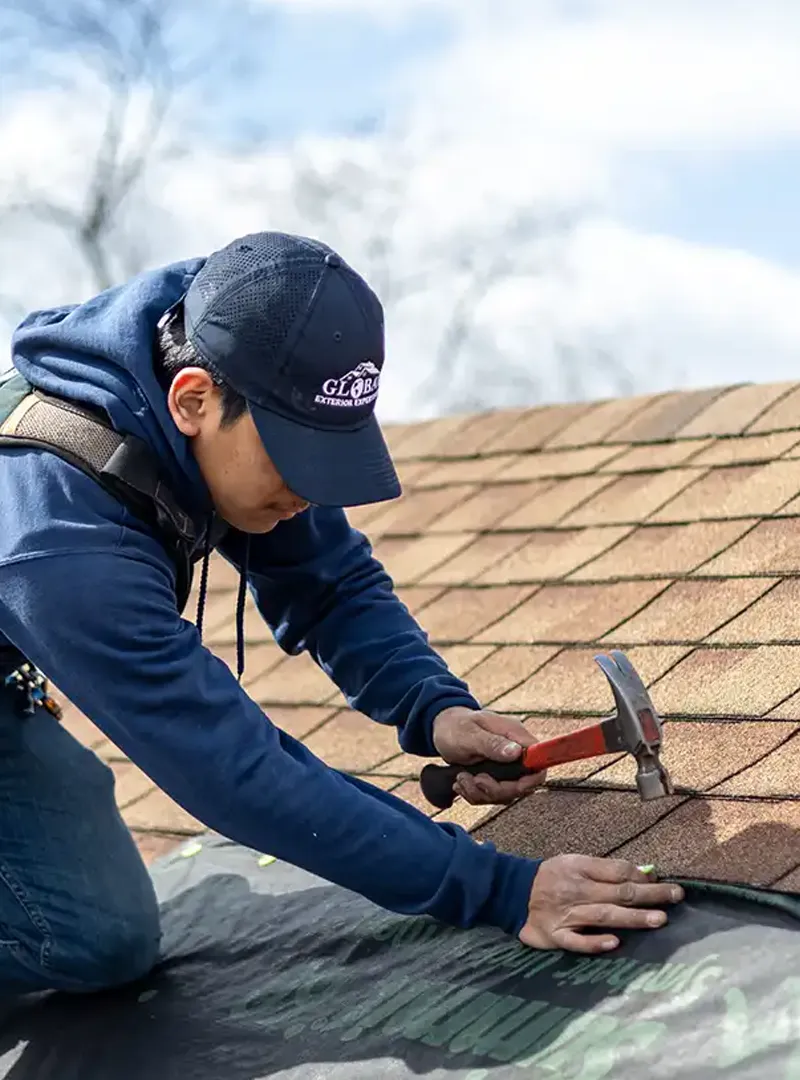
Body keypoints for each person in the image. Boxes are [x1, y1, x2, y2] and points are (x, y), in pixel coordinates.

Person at [0, 231, 683, 999]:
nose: (309, 491)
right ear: (192, 401)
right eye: (293, 460)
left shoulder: (230, 340)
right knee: (89, 936)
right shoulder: (55, 546)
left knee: (102, 938)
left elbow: (328, 584)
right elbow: (238, 773)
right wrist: (496, 888)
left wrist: (436, 710)